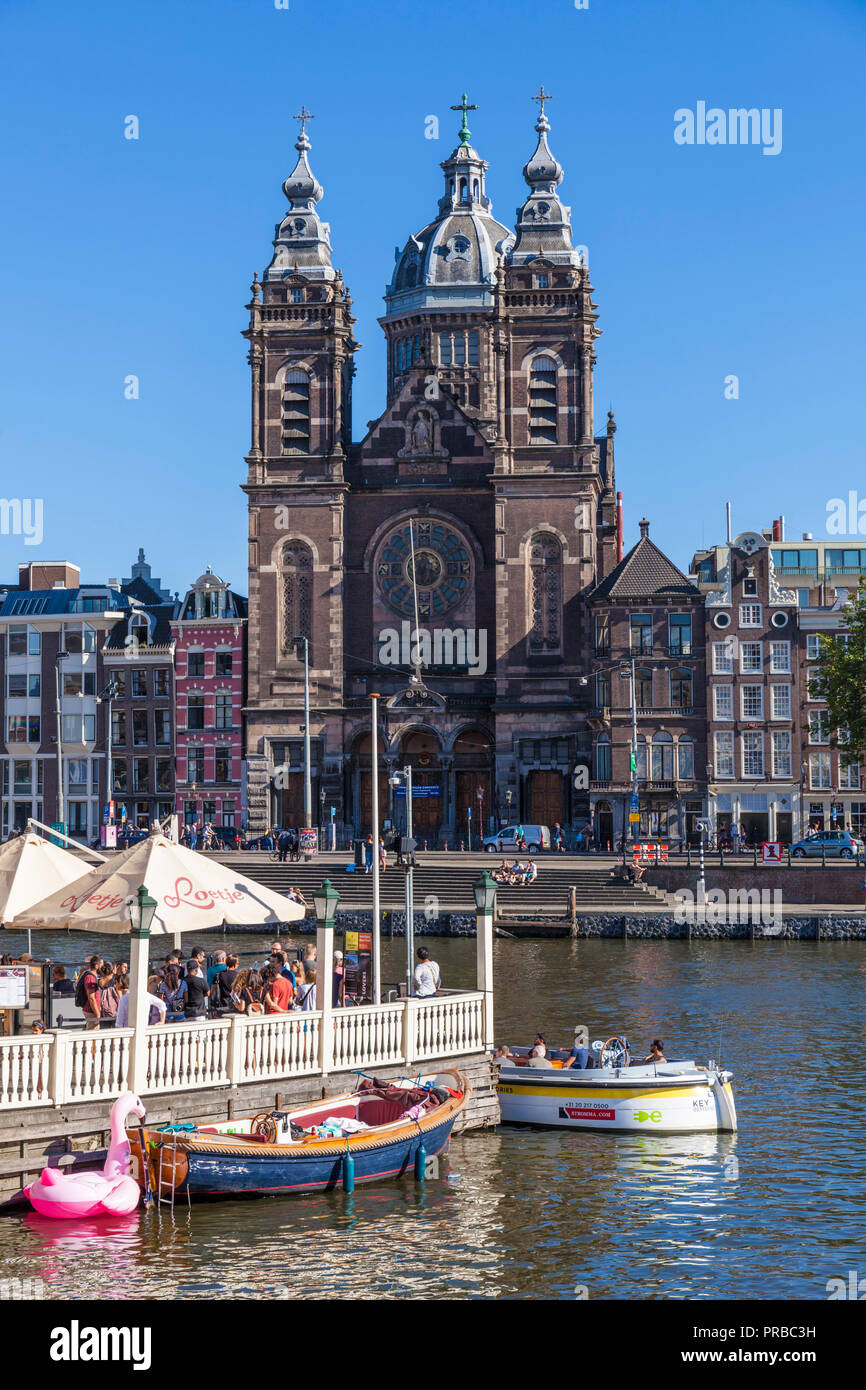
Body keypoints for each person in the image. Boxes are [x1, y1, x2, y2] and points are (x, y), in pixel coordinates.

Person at [76, 954, 104, 1031]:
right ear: (96, 966)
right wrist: (98, 1015)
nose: (103, 967)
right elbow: (91, 998)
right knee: (92, 1035)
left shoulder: (93, 976)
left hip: (92, 1010)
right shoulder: (90, 978)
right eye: (101, 964)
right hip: (91, 1011)